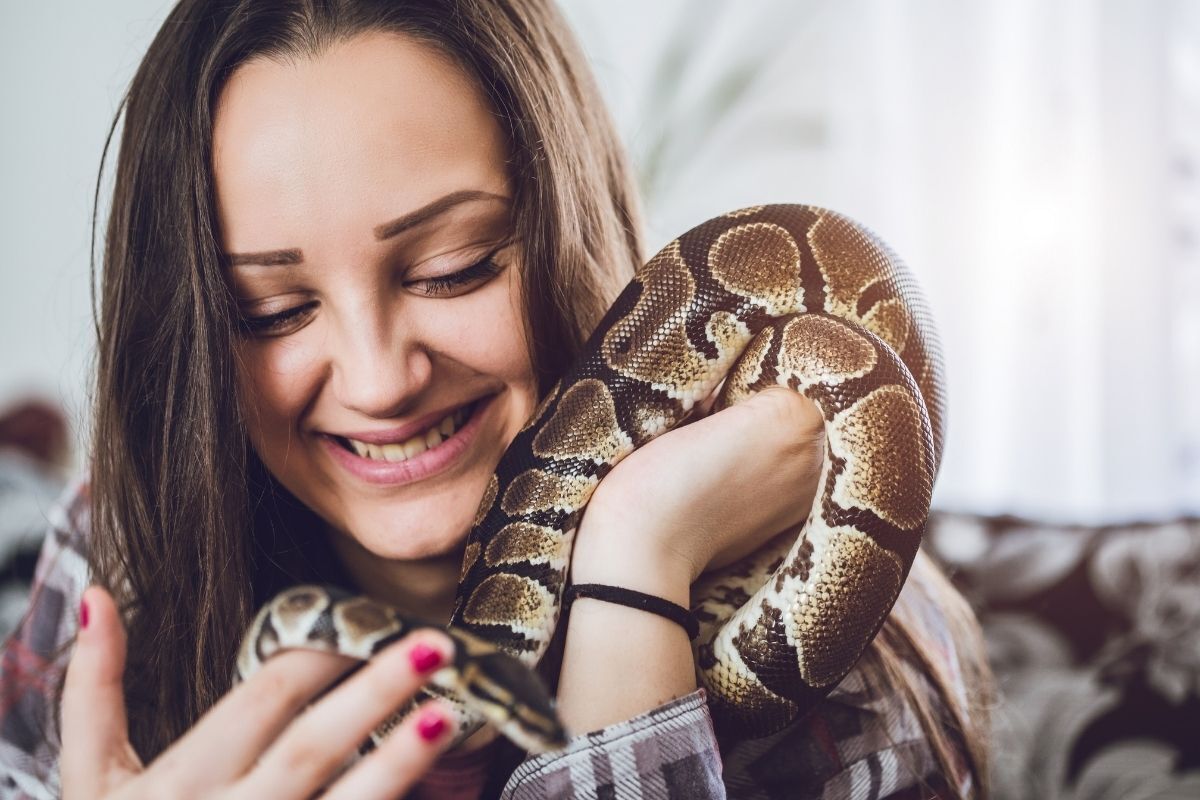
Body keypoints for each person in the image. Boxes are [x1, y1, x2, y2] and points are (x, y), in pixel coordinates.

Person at [0, 1, 994, 798]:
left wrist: (636, 562)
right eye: (270, 309)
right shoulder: (114, 558)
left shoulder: (860, 641)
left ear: (574, 229)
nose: (383, 380)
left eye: (453, 268)